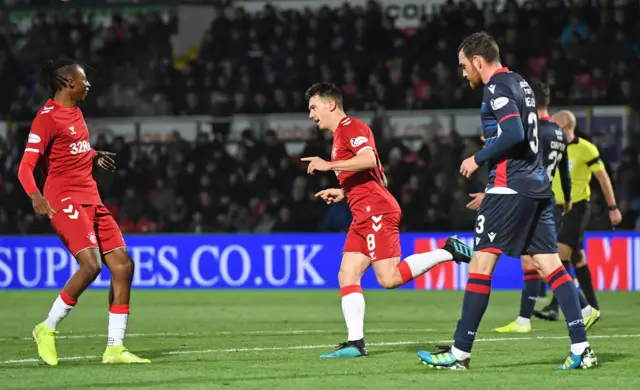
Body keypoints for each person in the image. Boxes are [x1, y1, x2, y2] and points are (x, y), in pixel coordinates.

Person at [417, 32, 597, 370]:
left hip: (509, 187)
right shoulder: (522, 84)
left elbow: (513, 134)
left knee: (481, 265)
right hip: (539, 187)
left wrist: (479, 156)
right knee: (551, 266)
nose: (463, 73)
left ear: (478, 60)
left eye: (463, 66)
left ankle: (459, 353)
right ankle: (582, 349)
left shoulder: (496, 86)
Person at [300, 82, 472, 358]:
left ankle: (446, 251)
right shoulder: (341, 136)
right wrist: (344, 192)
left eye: (313, 107)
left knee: (389, 278)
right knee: (347, 273)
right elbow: (379, 176)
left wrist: (329, 166)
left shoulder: (351, 127)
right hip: (362, 213)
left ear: (330, 104)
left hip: (376, 211)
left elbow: (367, 160)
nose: (310, 115)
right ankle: (355, 342)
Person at [17, 58, 150, 365]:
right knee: (90, 265)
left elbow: (71, 147)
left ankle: (115, 348)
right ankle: (46, 328)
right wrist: (35, 195)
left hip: (91, 196)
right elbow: (25, 166)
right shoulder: (46, 118)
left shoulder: (76, 112)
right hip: (62, 199)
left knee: (123, 266)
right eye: (84, 80)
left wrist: (93, 154)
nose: (88, 84)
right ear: (68, 83)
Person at [467, 83, 600, 333]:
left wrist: (491, 187)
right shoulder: (559, 133)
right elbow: (563, 170)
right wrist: (568, 198)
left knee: (537, 261)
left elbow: (519, 167)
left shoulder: (534, 130)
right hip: (545, 197)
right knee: (536, 261)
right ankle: (529, 320)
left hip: (527, 197)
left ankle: (578, 311)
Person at [532, 109, 622, 321]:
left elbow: (603, 178)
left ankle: (556, 306)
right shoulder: (553, 147)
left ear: (562, 126)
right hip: (554, 208)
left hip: (577, 208)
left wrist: (613, 207)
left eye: (553, 123)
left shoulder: (586, 149)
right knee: (577, 259)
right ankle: (593, 307)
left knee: (560, 255)